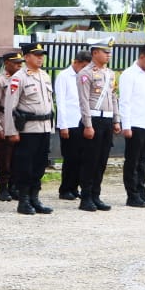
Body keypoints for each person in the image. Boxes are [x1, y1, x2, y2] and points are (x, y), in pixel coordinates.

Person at [4, 42, 55, 215]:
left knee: (40, 165)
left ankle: (35, 198)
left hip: (44, 128)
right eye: (36, 55)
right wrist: (12, 132)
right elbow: (10, 106)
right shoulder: (19, 78)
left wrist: (51, 127)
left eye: (42, 55)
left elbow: (49, 104)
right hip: (27, 129)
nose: (40, 58)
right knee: (25, 165)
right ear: (26, 57)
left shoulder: (45, 76)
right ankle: (24, 200)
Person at [76, 41, 121, 212]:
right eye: (105, 52)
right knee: (90, 160)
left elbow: (114, 97)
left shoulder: (110, 74)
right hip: (93, 120)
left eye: (109, 52)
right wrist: (88, 124)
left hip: (107, 120)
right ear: (95, 53)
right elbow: (84, 101)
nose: (108, 55)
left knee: (101, 160)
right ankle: (86, 197)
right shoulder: (85, 74)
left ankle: (96, 195)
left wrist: (116, 120)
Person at [119, 42, 145, 208]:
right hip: (136, 124)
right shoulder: (129, 75)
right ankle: (132, 195)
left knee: (143, 160)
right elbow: (125, 102)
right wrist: (126, 125)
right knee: (133, 161)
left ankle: (142, 192)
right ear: (142, 56)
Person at [55, 50, 91, 200]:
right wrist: (63, 125)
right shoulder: (64, 76)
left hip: (82, 122)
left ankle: (75, 187)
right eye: (83, 66)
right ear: (76, 62)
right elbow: (61, 102)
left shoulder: (85, 77)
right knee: (70, 158)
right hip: (70, 122)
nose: (85, 69)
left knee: (83, 158)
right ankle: (66, 188)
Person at [0, 51, 23, 201]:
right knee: (4, 158)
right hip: (3, 120)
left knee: (17, 158)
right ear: (6, 63)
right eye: (16, 63)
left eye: (20, 63)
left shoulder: (22, 79)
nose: (19, 65)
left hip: (18, 121)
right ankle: (2, 188)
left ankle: (14, 187)